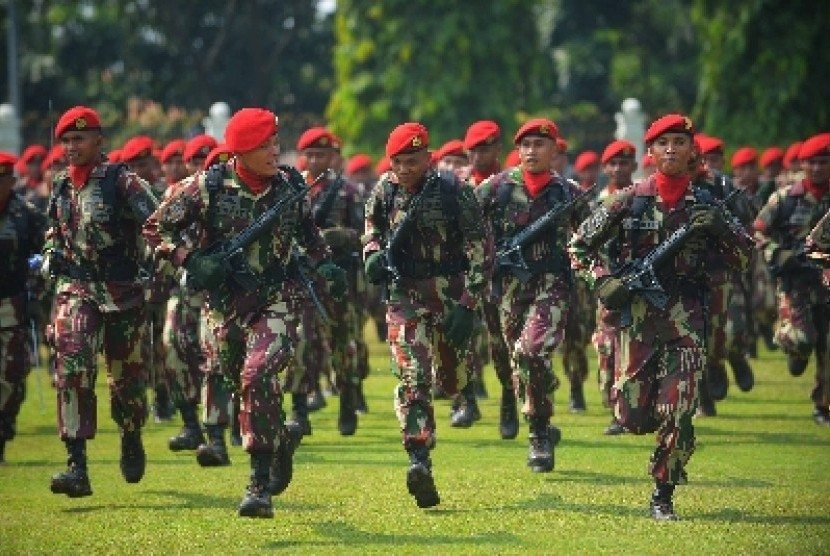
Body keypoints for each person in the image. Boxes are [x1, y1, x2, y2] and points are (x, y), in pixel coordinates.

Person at [144, 107, 346, 518]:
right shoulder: (207, 187)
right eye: (267, 144)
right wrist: (190, 260)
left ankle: (258, 484)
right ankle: (279, 442)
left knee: (259, 374)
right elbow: (155, 228)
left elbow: (309, 235)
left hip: (277, 297)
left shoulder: (291, 184)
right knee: (245, 387)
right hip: (223, 305)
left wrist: (325, 263)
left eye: (276, 141)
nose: (276, 150)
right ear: (243, 150)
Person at [569, 114, 752, 520]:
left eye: (680, 142)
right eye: (663, 143)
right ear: (650, 153)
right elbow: (579, 247)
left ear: (692, 151)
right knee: (631, 415)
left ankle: (663, 491)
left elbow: (744, 257)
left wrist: (722, 229)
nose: (672, 149)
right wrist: (603, 281)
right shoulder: (627, 200)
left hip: (686, 317)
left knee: (678, 408)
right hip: (635, 320)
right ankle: (655, 431)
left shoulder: (708, 205)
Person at [363, 122, 487, 508]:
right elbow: (371, 231)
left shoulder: (454, 190)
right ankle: (419, 459)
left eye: (412, 161)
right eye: (397, 162)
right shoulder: (384, 189)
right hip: (405, 293)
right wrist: (371, 256)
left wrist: (469, 303)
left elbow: (481, 246)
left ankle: (462, 394)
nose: (404, 169)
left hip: (450, 294)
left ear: (428, 158)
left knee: (452, 378)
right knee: (413, 374)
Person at [43, 106, 159, 497]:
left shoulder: (123, 182)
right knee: (72, 365)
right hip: (76, 290)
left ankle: (131, 433)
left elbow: (158, 224)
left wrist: (164, 263)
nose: (71, 147)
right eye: (66, 141)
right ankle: (77, 464)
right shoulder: (59, 184)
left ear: (98, 140)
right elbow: (54, 233)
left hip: (122, 293)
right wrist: (49, 257)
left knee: (126, 381)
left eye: (79, 139)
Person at [475, 118, 586, 472]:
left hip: (552, 285)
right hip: (507, 289)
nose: (531, 151)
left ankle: (538, 434)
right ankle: (537, 416)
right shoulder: (496, 188)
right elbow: (466, 228)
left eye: (540, 145)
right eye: (525, 145)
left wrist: (588, 267)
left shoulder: (568, 192)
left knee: (532, 351)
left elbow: (593, 235)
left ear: (555, 150)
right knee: (519, 362)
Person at [294, 126, 366, 436]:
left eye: (320, 154)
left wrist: (341, 237)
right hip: (304, 280)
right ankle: (299, 408)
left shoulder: (348, 192)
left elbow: (366, 235)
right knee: (301, 342)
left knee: (342, 344)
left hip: (339, 282)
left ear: (332, 156)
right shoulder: (292, 190)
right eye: (309, 154)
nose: (314, 160)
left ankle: (347, 401)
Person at [754, 133, 830, 425]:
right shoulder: (785, 199)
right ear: (803, 164)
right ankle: (788, 341)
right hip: (794, 285)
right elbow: (757, 231)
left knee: (828, 346)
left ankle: (822, 407)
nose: (819, 168)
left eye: (824, 162)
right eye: (813, 162)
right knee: (803, 340)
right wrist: (776, 252)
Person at [0, 151, 46, 463]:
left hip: (11, 303)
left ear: (11, 180)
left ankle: (3, 428)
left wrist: (37, 281)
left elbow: (47, 248)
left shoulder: (25, 213)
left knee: (12, 374)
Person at [592, 140, 637, 434]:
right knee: (607, 349)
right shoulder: (596, 204)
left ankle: (628, 411)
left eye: (624, 163)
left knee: (634, 351)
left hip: (639, 287)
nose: (619, 168)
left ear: (633, 166)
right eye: (613, 163)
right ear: (605, 168)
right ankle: (615, 408)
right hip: (607, 287)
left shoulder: (643, 200)